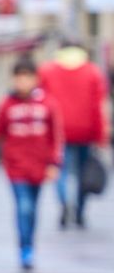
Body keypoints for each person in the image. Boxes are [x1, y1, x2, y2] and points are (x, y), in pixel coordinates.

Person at [0, 57, 63, 271]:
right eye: (19, 78)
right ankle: (24, 247)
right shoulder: (7, 105)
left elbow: (56, 136)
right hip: (16, 167)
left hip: (39, 166)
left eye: (27, 77)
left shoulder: (47, 104)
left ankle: (30, 242)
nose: (23, 82)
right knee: (23, 206)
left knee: (33, 209)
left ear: (35, 79)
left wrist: (54, 163)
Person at [38, 37, 109, 228]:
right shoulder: (92, 72)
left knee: (60, 170)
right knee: (82, 173)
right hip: (85, 131)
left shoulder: (47, 70)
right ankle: (79, 210)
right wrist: (101, 135)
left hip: (58, 131)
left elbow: (41, 102)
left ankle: (64, 203)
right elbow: (98, 106)